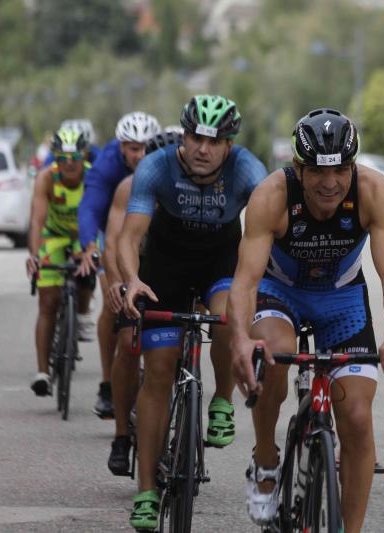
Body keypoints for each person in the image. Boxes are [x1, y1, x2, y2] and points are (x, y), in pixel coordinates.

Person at [228, 108, 384, 533]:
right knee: (274, 357)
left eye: (341, 171)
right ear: (297, 167)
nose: (330, 183)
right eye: (316, 171)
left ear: (353, 166)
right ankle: (265, 461)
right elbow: (245, 280)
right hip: (281, 295)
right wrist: (241, 339)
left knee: (355, 416)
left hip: (342, 300)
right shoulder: (271, 196)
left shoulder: (374, 191)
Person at [118, 95, 267, 531]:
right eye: (195, 138)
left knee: (227, 315)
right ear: (182, 136)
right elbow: (130, 237)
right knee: (159, 373)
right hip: (163, 268)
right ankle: (146, 490)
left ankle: (222, 399)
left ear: (229, 144)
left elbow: (268, 230)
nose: (204, 148)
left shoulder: (247, 170)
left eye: (216, 140)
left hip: (220, 261)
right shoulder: (157, 166)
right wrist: (132, 280)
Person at [101, 127, 184, 476]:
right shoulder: (129, 188)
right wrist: (119, 284)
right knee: (127, 344)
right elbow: (113, 243)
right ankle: (121, 434)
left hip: (173, 276)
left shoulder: (192, 191)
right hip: (134, 273)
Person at [78, 111, 161, 419]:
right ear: (121, 146)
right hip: (110, 230)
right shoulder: (108, 165)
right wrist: (89, 245)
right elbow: (89, 207)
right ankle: (106, 384)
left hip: (145, 234)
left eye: (144, 148)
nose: (138, 154)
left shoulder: (160, 162)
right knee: (112, 304)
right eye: (132, 148)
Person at [25, 128, 95, 396]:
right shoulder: (46, 178)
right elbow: (36, 221)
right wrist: (33, 255)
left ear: (83, 155)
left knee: (89, 270)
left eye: (75, 156)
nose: (69, 163)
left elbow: (98, 217)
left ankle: (82, 313)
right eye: (62, 157)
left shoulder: (92, 177)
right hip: (53, 237)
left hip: (83, 235)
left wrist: (91, 249)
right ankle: (43, 372)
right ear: (55, 157)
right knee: (48, 302)